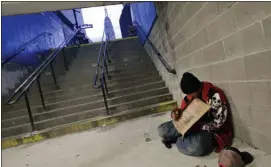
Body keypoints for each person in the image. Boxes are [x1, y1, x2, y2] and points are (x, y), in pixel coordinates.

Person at [158, 72, 233, 156]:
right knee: (162, 130)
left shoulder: (214, 94)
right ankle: (183, 138)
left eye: (190, 93)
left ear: (197, 89)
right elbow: (182, 110)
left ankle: (178, 140)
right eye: (187, 94)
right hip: (190, 125)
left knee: (197, 147)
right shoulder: (191, 95)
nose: (189, 96)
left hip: (208, 130)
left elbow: (220, 121)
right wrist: (175, 114)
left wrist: (199, 127)